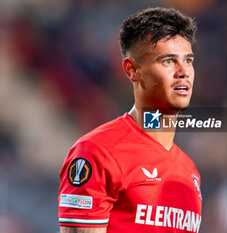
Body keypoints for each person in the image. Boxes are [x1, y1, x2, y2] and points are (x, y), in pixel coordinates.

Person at [58, 7, 202, 233]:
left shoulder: (189, 171)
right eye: (168, 61)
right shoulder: (97, 152)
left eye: (189, 60)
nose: (184, 71)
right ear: (132, 70)